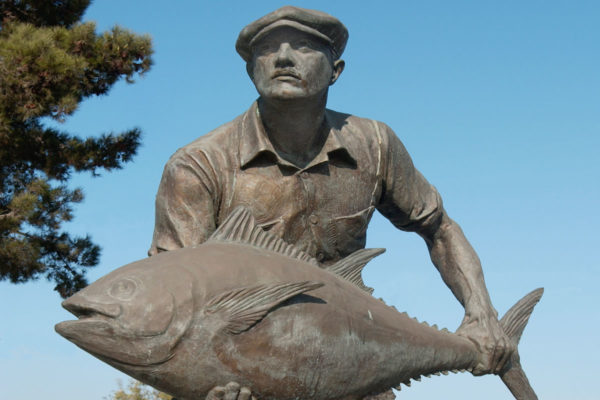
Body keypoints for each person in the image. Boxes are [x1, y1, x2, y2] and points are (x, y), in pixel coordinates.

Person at [149, 6, 512, 399]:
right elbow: (171, 300)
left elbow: (439, 229)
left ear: (336, 71)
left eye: (303, 46)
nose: (284, 57)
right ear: (250, 70)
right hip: (254, 380)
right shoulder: (198, 165)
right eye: (268, 49)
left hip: (359, 376)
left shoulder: (375, 143)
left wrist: (482, 314)